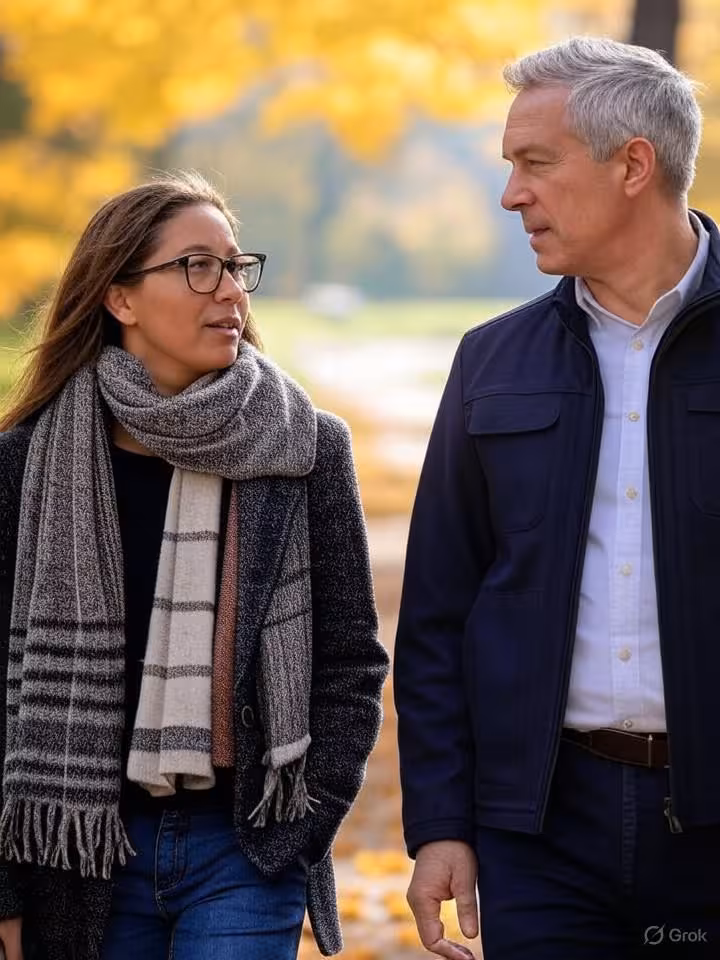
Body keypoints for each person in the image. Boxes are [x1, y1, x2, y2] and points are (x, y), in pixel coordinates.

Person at [0, 171, 389, 960]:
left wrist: (300, 827)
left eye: (236, 267)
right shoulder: (27, 463)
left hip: (243, 849)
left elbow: (349, 661)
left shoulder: (305, 448)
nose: (231, 293)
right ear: (121, 299)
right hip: (79, 855)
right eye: (197, 267)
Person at [394, 35, 720, 960]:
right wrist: (443, 824)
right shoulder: (490, 361)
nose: (511, 195)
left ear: (632, 164)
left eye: (535, 164)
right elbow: (437, 620)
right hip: (538, 837)